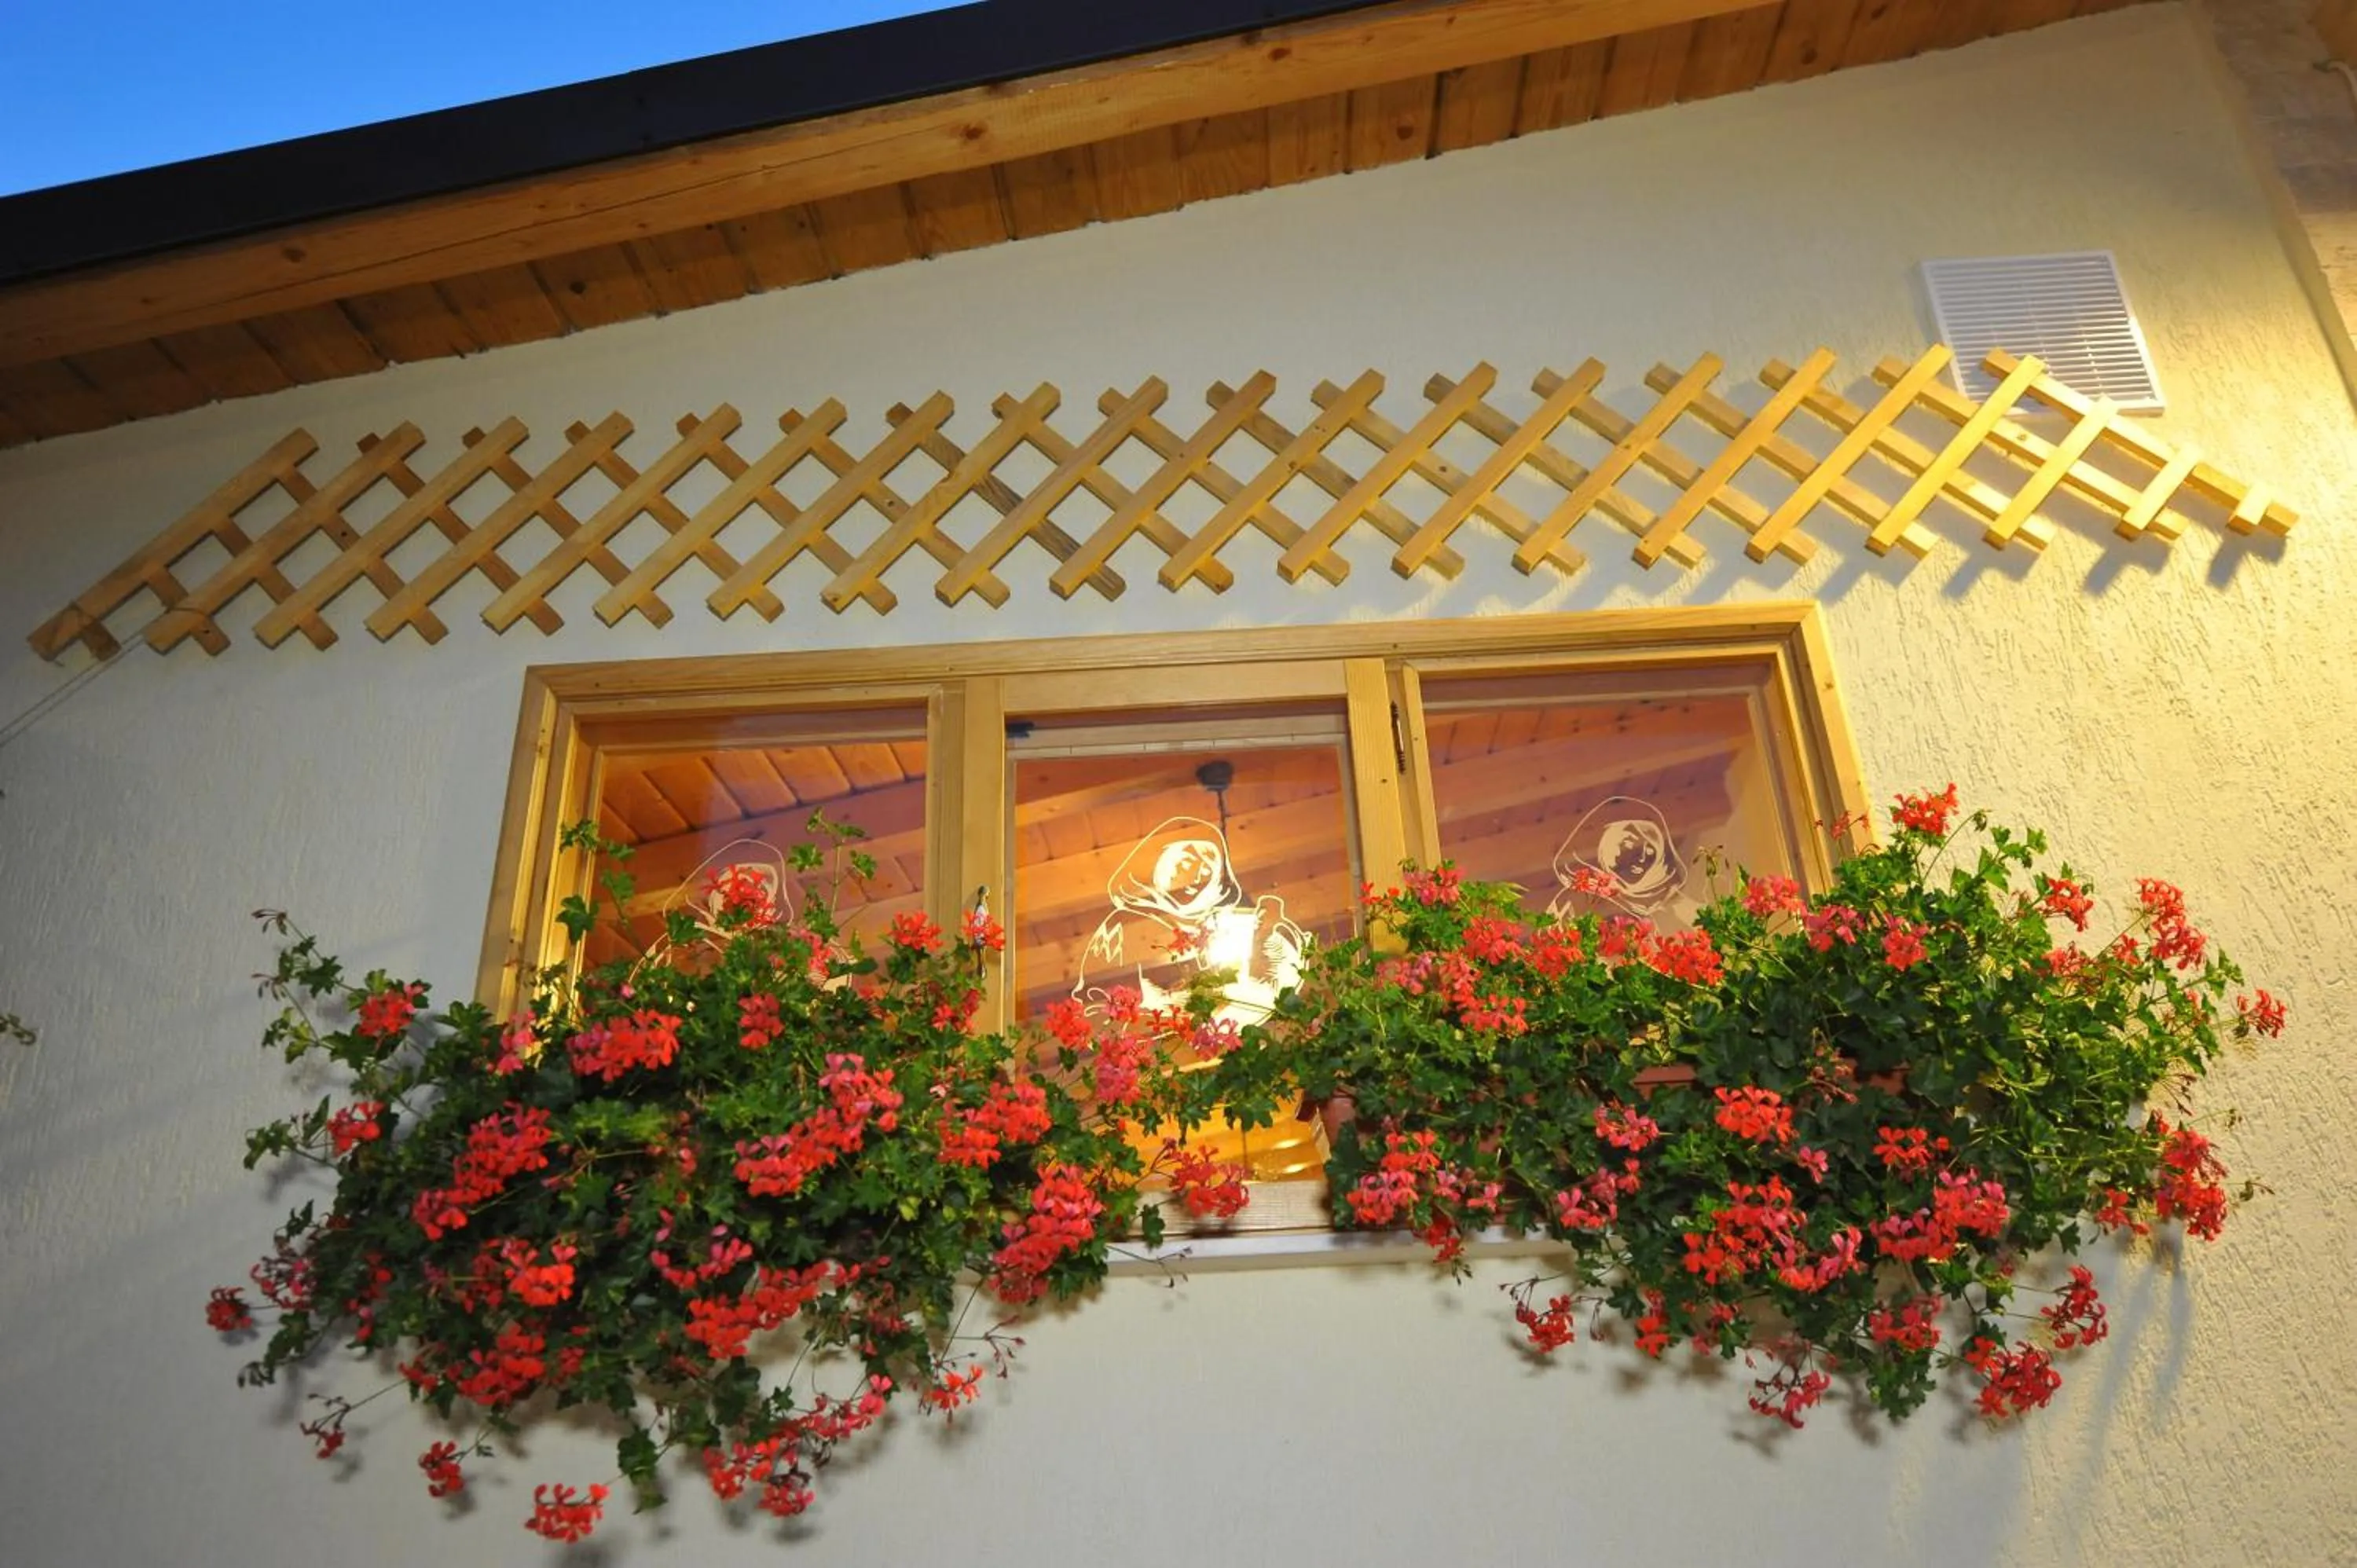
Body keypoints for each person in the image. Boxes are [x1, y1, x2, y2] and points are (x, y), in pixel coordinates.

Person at [1072, 815, 1305, 1023]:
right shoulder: (1124, 928)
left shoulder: (1260, 992)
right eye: (1195, 870)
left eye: (1205, 871)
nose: (1203, 880)